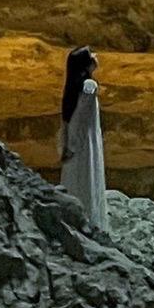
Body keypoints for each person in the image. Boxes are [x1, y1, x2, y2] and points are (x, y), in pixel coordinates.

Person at [58, 45, 107, 227]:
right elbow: (81, 117)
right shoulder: (89, 85)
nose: (96, 55)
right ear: (86, 64)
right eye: (91, 54)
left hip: (74, 141)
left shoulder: (72, 87)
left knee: (74, 179)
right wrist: (74, 144)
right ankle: (89, 219)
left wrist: (67, 143)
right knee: (87, 178)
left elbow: (70, 119)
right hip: (83, 143)